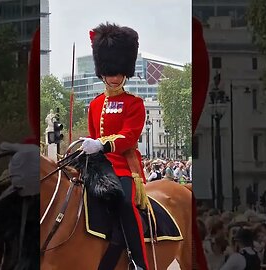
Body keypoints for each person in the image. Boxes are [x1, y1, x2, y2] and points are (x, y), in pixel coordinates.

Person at [78, 22, 149, 270]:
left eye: (119, 72)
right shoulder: (95, 104)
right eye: (110, 72)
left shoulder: (134, 103)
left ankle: (139, 263)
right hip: (99, 166)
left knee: (126, 204)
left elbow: (129, 136)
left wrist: (101, 144)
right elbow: (92, 136)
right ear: (102, 72)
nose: (115, 77)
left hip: (123, 166)